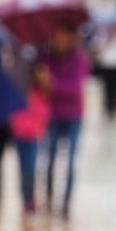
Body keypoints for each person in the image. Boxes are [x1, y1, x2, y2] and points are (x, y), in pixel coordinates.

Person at [42, 23, 91, 218]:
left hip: (73, 116)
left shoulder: (79, 60)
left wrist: (52, 84)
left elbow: (74, 89)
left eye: (62, 36)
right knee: (49, 159)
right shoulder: (46, 58)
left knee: (70, 160)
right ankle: (48, 200)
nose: (59, 40)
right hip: (52, 115)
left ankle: (65, 204)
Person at [9, 63, 51, 217]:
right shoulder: (21, 92)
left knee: (31, 170)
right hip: (20, 137)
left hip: (34, 137)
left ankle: (30, 200)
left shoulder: (42, 92)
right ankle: (26, 201)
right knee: (23, 170)